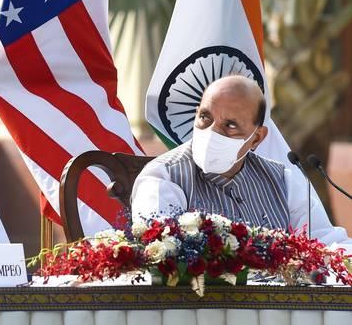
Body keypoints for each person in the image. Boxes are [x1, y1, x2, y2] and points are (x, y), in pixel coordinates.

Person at [131, 75, 350, 245]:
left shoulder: (283, 180)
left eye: (230, 125)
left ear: (256, 138)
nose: (212, 132)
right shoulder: (164, 175)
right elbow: (161, 247)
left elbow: (326, 240)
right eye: (205, 117)